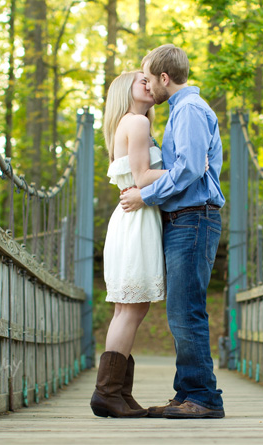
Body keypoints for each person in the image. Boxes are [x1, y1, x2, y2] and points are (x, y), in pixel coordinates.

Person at [119, 44, 226, 419]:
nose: (147, 84)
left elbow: (190, 169)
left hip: (194, 218)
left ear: (165, 78)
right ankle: (189, 393)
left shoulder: (190, 110)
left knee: (186, 310)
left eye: (149, 78)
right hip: (186, 218)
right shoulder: (182, 111)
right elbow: (195, 166)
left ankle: (203, 398)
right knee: (182, 310)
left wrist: (146, 195)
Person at [90, 71, 169, 418]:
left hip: (132, 218)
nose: (149, 84)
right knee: (132, 307)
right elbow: (142, 178)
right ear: (126, 90)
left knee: (129, 308)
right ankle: (107, 393)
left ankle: (118, 393)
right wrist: (191, 169)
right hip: (136, 220)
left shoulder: (130, 123)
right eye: (141, 81)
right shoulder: (136, 122)